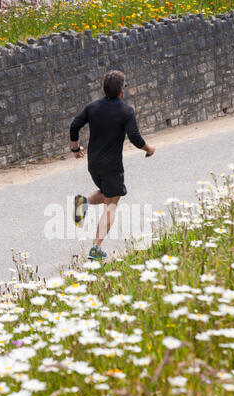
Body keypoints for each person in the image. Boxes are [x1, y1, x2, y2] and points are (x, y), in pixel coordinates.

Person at [70, 70, 155, 261]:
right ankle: (96, 249)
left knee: (107, 193)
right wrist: (149, 149)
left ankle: (83, 202)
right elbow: (134, 137)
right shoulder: (126, 111)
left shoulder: (92, 107)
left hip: (93, 164)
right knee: (111, 206)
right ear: (121, 91)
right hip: (112, 166)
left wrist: (75, 149)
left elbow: (74, 125)